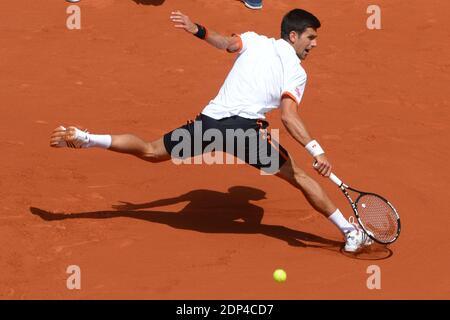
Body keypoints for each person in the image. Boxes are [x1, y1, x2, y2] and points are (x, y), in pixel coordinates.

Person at [49, 9, 373, 252]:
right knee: (300, 177)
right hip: (246, 133)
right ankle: (349, 232)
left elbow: (225, 43)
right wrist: (317, 150)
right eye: (311, 37)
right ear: (293, 36)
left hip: (210, 124)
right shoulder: (296, 72)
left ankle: (87, 137)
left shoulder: (255, 41)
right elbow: (288, 117)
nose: (313, 44)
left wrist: (197, 29)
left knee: (150, 151)